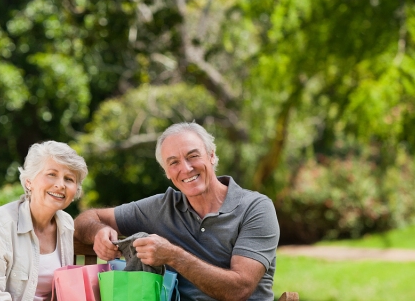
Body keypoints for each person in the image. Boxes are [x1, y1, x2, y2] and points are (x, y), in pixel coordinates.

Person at [74, 122, 280, 301]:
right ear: (166, 171)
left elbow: (239, 289)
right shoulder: (162, 207)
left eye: (193, 156)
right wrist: (98, 232)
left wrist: (173, 256)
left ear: (211, 155)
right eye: (174, 162)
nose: (186, 168)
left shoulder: (256, 208)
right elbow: (87, 219)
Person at [0, 140, 88, 301]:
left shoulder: (66, 224)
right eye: (52, 174)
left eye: (69, 179)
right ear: (29, 181)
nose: (60, 185)